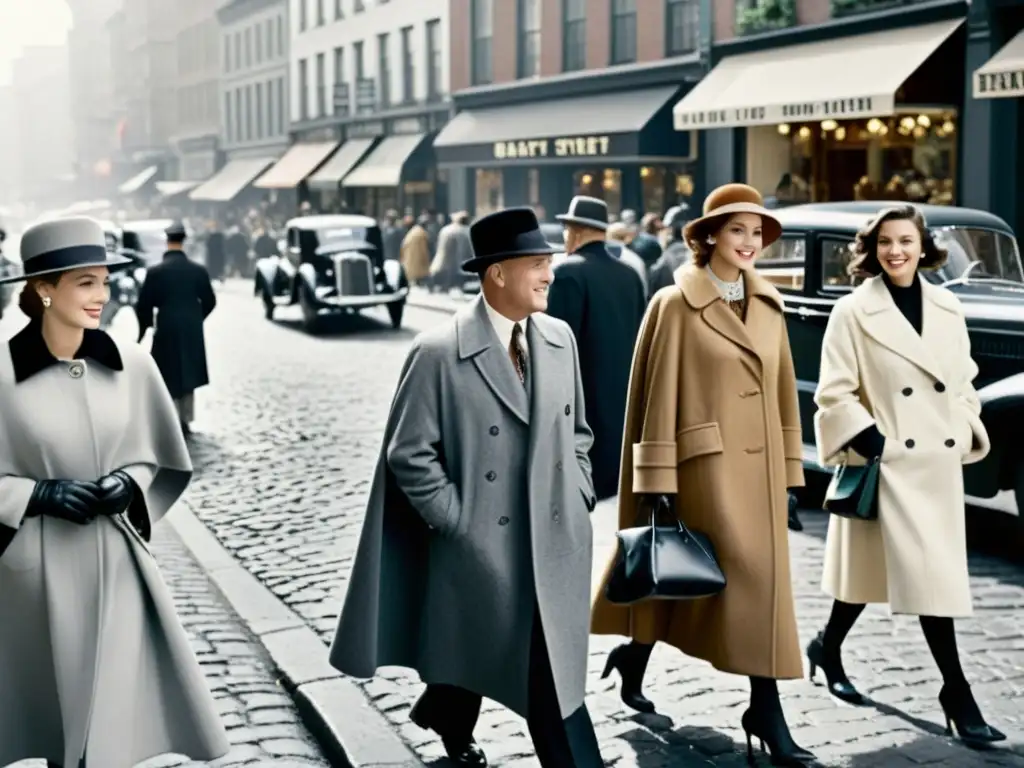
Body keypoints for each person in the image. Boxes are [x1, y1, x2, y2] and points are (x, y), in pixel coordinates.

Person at [329, 207, 604, 768]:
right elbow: (408, 453)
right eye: (536, 264)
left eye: (549, 262)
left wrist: (578, 490)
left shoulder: (559, 338)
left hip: (552, 543)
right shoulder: (437, 352)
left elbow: (578, 431)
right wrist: (458, 521)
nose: (550, 274)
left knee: (529, 661)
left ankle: (447, 710)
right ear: (497, 273)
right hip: (483, 549)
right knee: (539, 674)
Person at [591, 184, 814, 766]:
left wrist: (792, 472)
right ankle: (641, 654)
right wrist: (657, 480)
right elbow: (656, 395)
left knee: (754, 589)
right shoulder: (674, 302)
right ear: (709, 234)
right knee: (682, 577)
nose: (749, 242)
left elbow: (784, 394)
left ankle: (761, 707)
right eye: (737, 230)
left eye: (757, 232)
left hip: (760, 475)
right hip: (700, 473)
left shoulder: (770, 304)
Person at [0, 216, 229, 768]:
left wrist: (130, 482)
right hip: (36, 572)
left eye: (104, 281)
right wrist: (35, 496)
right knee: (59, 715)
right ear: (42, 290)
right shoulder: (2, 375)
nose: (102, 295)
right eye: (85, 282)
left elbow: (158, 455)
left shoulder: (134, 364)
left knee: (111, 721)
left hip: (121, 565)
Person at [810, 204, 1005, 747]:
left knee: (903, 579)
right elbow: (833, 394)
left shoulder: (947, 305)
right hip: (889, 464)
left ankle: (829, 648)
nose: (896, 251)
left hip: (936, 465)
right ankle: (956, 692)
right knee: (898, 582)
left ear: (924, 247)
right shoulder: (853, 312)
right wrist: (882, 447)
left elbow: (965, 380)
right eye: (886, 242)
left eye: (906, 241)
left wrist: (964, 429)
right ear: (872, 250)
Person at [548, 196, 645, 501]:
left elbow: (555, 347)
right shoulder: (630, 275)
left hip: (582, 404)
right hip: (622, 403)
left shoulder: (567, 273)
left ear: (574, 231)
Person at [134, 221, 216, 436]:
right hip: (190, 327)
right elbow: (210, 300)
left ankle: (169, 417)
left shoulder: (155, 272)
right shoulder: (197, 271)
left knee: (167, 371)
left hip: (167, 325)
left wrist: (145, 327)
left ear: (167, 241)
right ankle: (186, 418)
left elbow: (143, 305)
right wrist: (197, 318)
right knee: (188, 371)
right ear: (184, 241)